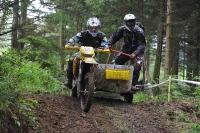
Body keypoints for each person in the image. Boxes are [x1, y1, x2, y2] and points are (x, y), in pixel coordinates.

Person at [64, 17, 108, 88]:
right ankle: (69, 80)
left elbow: (105, 43)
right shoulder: (82, 34)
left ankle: (95, 82)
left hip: (92, 56)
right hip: (80, 53)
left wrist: (105, 47)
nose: (93, 29)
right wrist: (69, 43)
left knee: (97, 64)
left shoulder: (101, 35)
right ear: (88, 27)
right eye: (91, 28)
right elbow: (74, 38)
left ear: (98, 27)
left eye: (95, 28)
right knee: (71, 59)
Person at [107, 13, 146, 89]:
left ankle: (133, 84)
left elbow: (142, 45)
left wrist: (135, 53)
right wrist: (109, 44)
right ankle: (112, 82)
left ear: (135, 22)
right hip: (126, 49)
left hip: (137, 51)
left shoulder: (139, 31)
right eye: (129, 22)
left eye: (132, 22)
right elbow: (114, 37)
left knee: (137, 66)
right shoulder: (122, 29)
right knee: (115, 63)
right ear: (125, 22)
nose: (131, 24)